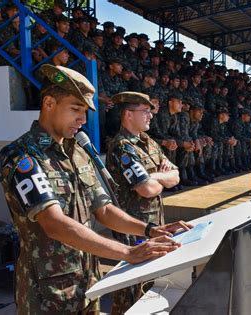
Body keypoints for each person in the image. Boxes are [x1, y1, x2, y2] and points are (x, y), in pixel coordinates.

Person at [0, 65, 191, 314]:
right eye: (75, 109)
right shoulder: (22, 155)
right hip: (47, 293)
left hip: (87, 282)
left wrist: (151, 230)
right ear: (48, 103)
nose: (83, 119)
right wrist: (128, 252)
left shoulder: (78, 153)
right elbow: (53, 222)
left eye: (85, 111)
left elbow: (104, 209)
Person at [106, 92, 181, 313]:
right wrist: (160, 178)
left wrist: (155, 176)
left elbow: (176, 175)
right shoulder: (122, 147)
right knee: (130, 290)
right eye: (145, 111)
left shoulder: (148, 142)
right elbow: (146, 189)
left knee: (149, 285)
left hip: (154, 225)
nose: (151, 116)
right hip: (133, 228)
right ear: (128, 114)